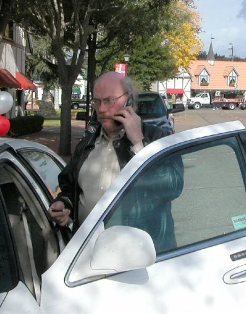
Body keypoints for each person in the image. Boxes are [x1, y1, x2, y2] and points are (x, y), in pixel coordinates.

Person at [50, 72, 183, 249]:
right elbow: (70, 186)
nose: (102, 109)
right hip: (88, 251)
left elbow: (172, 186)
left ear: (128, 100)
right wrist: (64, 204)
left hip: (139, 253)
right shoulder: (88, 142)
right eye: (97, 102)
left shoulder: (157, 137)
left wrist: (138, 142)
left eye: (109, 100)